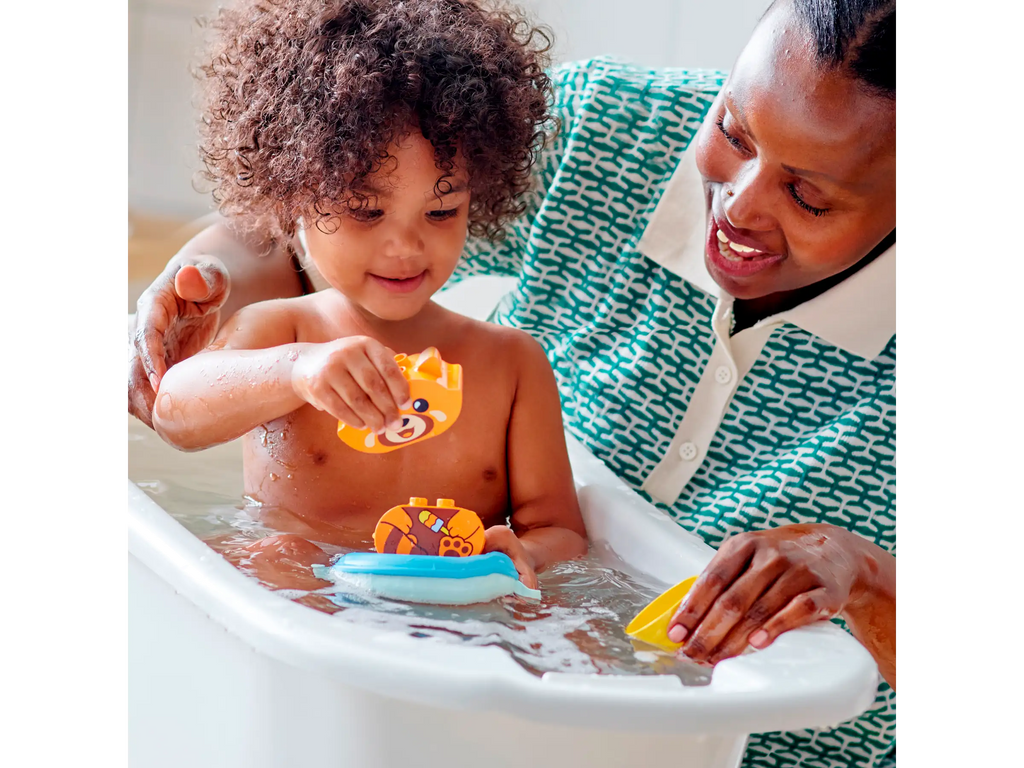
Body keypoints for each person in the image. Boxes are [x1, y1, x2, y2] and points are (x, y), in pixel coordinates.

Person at [126, 0, 898, 765]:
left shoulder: (510, 365)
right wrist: (202, 286)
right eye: (732, 130)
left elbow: (556, 537)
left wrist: (862, 572)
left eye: (810, 195)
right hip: (332, 669)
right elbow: (290, 234)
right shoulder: (603, 132)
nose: (741, 205)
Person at [147, 0, 588, 591]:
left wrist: (516, 556)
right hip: (304, 600)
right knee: (265, 556)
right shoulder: (284, 333)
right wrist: (295, 372)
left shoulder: (513, 365)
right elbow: (174, 411)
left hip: (455, 613)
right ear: (294, 199)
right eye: (365, 210)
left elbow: (561, 532)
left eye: (441, 210)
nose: (405, 245)